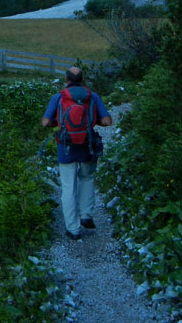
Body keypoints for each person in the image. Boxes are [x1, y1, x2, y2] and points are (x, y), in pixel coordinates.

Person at [41, 66, 112, 240]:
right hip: (87, 146)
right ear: (82, 80)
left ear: (66, 80)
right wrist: (90, 124)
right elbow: (107, 121)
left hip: (66, 147)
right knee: (87, 178)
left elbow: (45, 122)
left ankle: (73, 229)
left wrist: (59, 124)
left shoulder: (59, 97)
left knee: (68, 187)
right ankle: (86, 215)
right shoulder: (92, 96)